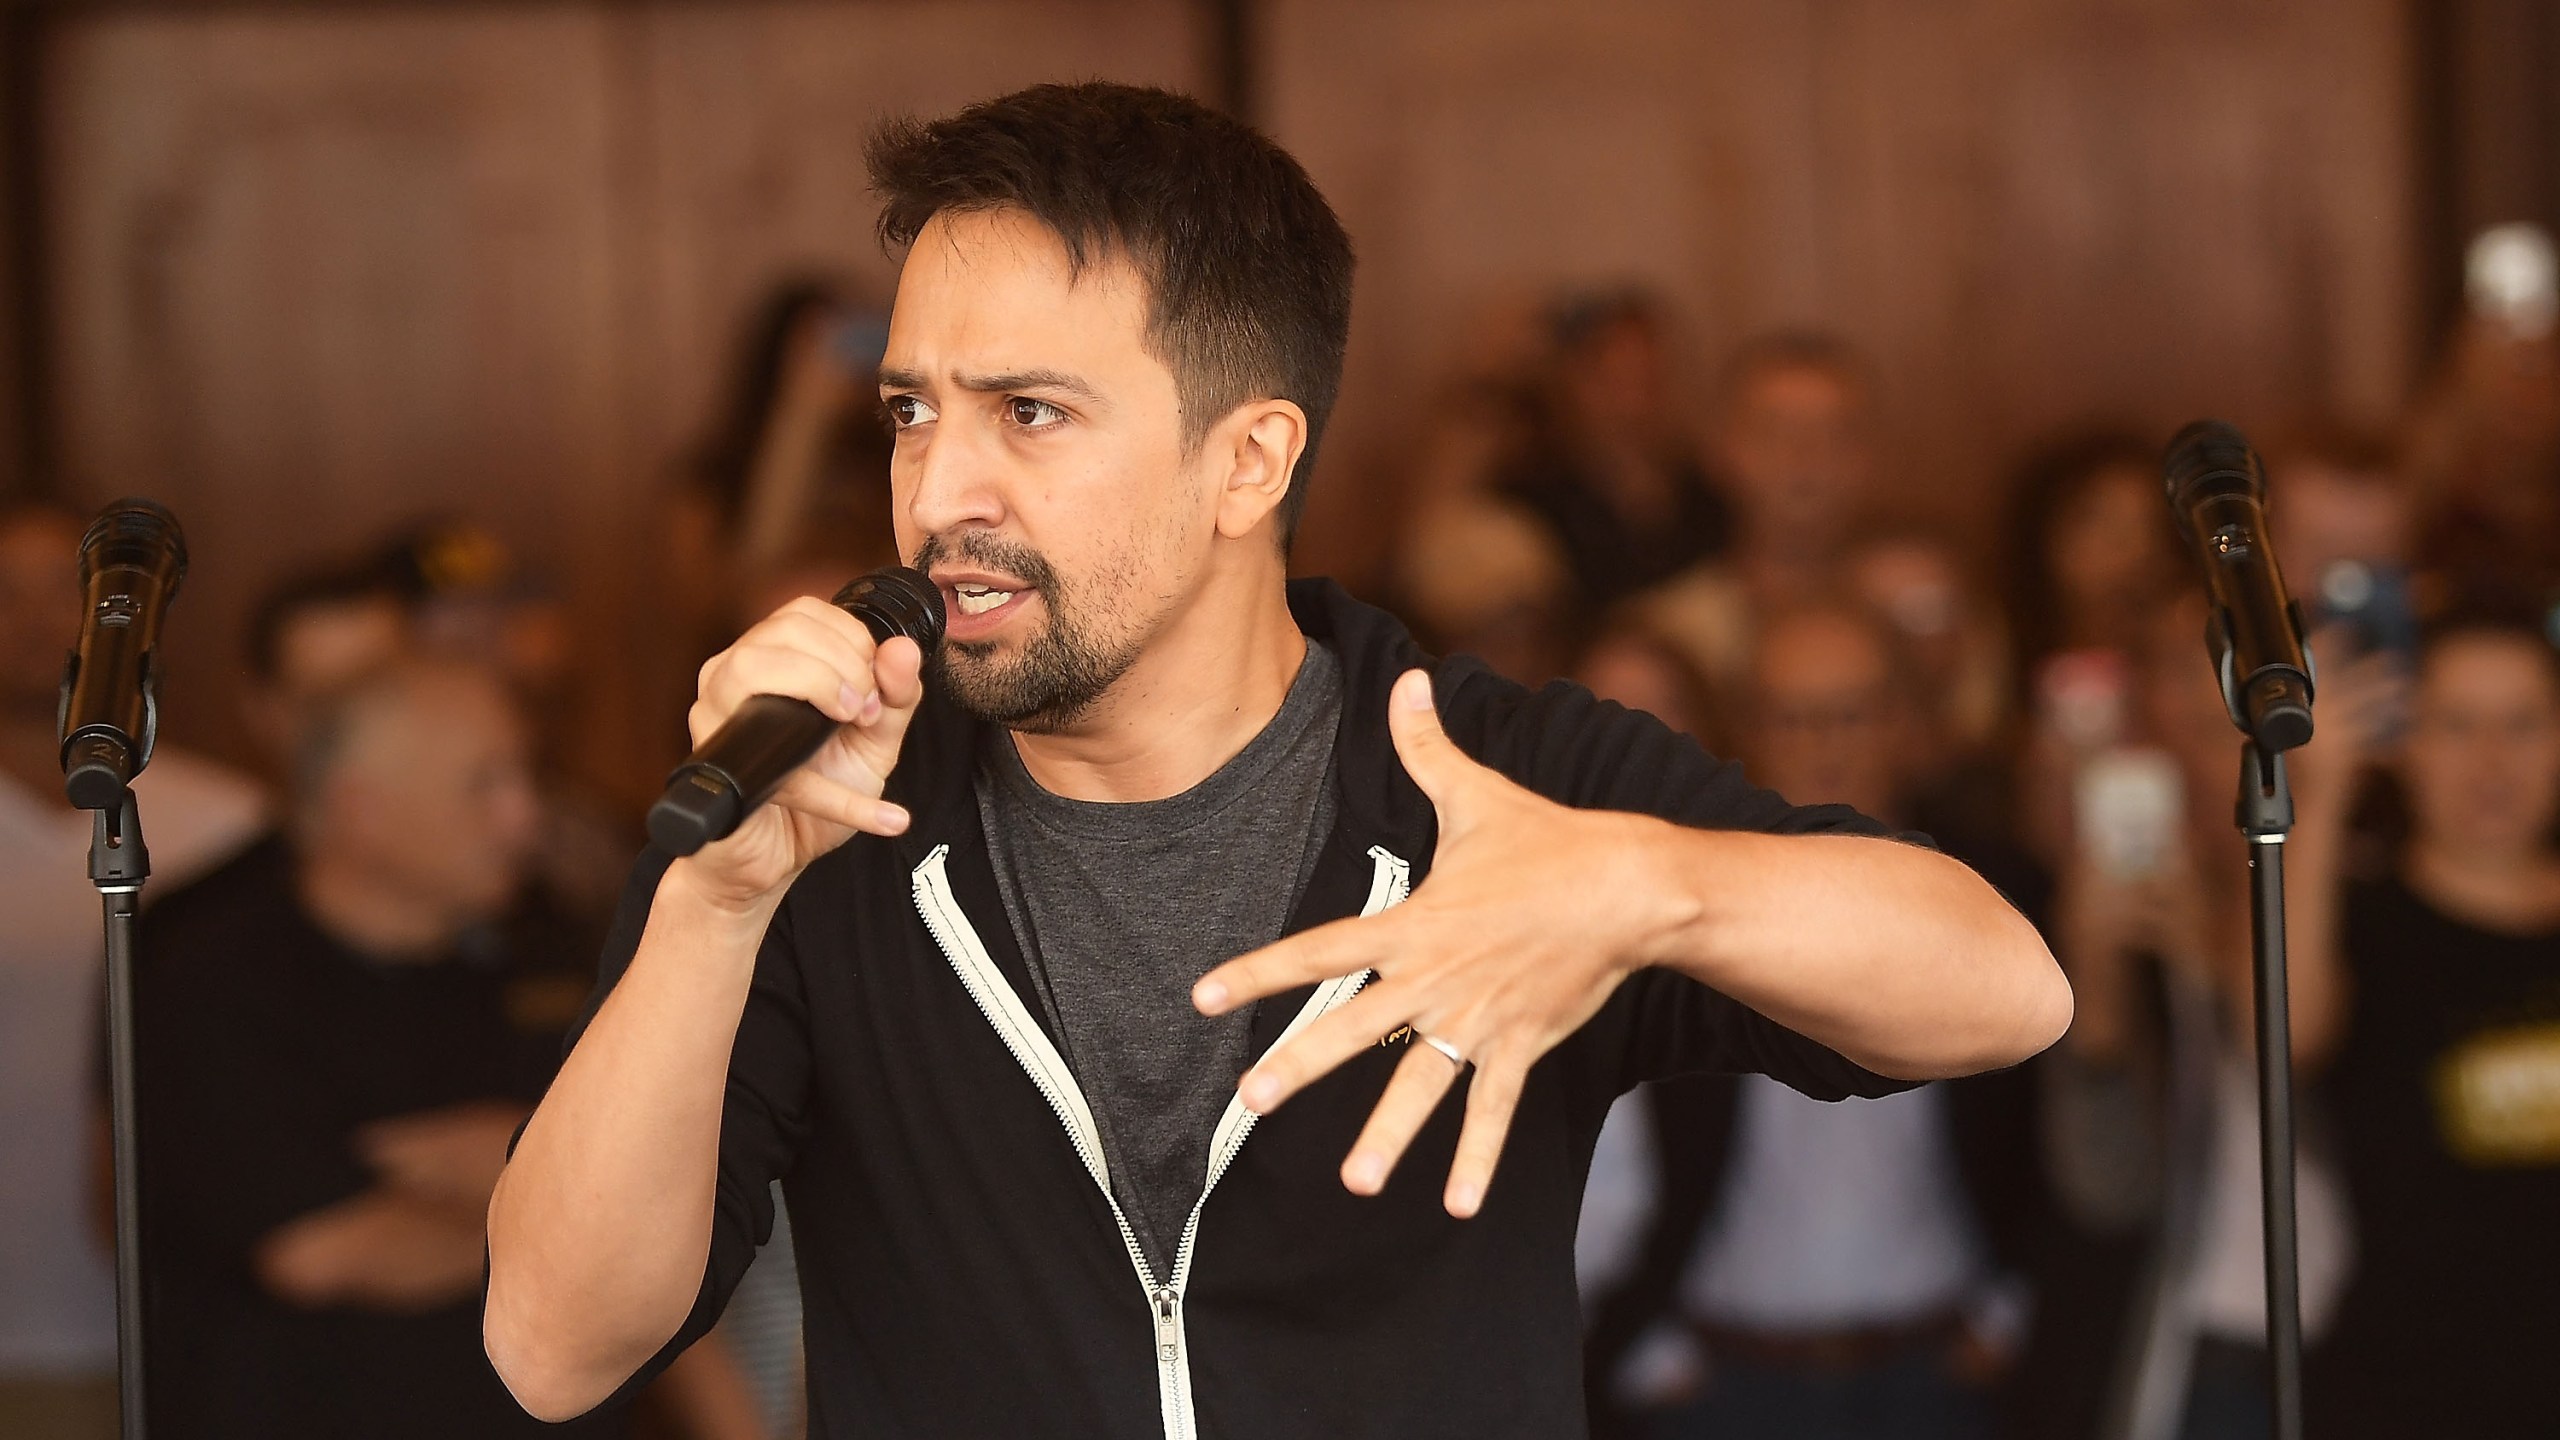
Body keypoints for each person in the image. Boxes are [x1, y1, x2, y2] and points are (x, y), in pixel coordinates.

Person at [484, 83, 2071, 1440]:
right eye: (912, 413)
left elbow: (2005, 992)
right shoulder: (820, 811)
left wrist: (1650, 890)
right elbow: (555, 1351)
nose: (937, 490)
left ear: (1249, 459)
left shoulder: (1481, 776)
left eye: (1028, 413)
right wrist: (714, 902)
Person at [127, 658, 634, 1438]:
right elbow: (326, 1250)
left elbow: (668, 1178)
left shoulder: (555, 956)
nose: (525, 816)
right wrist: (550, 1185)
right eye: (485, 784)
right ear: (362, 810)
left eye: (524, 777)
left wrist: (513, 1163)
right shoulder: (215, 980)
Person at [1579, 602, 2045, 1440]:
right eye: (1792, 716)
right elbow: (1603, 1127)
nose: (1823, 740)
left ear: (1905, 722)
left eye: (1851, 711)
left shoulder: (1996, 893)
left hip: (1941, 1369)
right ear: (1746, 729)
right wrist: (1649, 1350)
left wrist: (2010, 1313)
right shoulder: (1682, 899)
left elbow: (2057, 1117)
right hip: (1722, 1379)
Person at [0, 500, 264, 1440]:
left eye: (59, 593)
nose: (34, 620)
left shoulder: (224, 823)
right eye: (6, 593)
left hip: (181, 1325)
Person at [2291, 614, 2560, 1440]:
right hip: (2411, 1389)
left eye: (2522, 724)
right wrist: (2322, 790)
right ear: (2402, 743)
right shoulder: (2364, 923)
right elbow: (2282, 1037)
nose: (2492, 761)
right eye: (2455, 725)